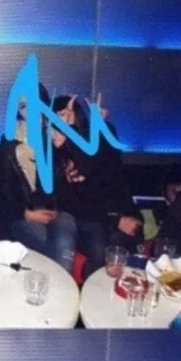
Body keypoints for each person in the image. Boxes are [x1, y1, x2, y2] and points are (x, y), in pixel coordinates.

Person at [49, 95, 143, 279]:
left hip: (115, 212)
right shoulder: (55, 154)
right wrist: (116, 221)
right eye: (55, 119)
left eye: (64, 115)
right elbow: (69, 203)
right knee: (100, 249)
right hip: (91, 218)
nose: (59, 123)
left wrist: (101, 126)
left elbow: (105, 176)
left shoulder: (97, 145)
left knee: (120, 246)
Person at [0, 83, 60, 246]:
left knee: (63, 239)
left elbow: (66, 178)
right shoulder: (9, 138)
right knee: (41, 237)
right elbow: (5, 187)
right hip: (23, 211)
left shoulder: (55, 134)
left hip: (56, 209)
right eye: (23, 106)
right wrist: (24, 213)